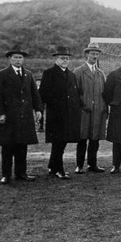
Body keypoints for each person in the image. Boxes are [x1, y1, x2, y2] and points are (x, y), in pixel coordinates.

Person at [0, 46, 43, 184]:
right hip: (9, 117)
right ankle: (6, 175)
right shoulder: (2, 74)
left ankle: (21, 173)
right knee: (8, 147)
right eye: (15, 57)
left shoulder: (28, 74)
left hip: (24, 117)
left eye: (20, 57)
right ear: (9, 59)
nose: (18, 60)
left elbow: (35, 94)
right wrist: (0, 114)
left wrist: (38, 110)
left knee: (22, 146)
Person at [39, 46, 82, 180]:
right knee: (58, 143)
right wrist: (57, 106)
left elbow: (75, 94)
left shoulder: (71, 74)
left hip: (69, 115)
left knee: (62, 143)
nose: (65, 60)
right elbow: (44, 94)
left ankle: (52, 166)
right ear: (56, 59)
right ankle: (59, 170)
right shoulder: (49, 73)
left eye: (67, 58)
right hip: (56, 116)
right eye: (62, 58)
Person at [73, 42, 108, 174]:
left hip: (98, 111)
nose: (95, 56)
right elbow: (75, 93)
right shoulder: (78, 71)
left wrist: (104, 108)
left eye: (97, 54)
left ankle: (92, 164)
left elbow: (104, 93)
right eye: (92, 53)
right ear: (87, 54)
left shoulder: (101, 73)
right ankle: (79, 165)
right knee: (82, 139)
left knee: (95, 140)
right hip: (84, 112)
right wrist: (83, 105)